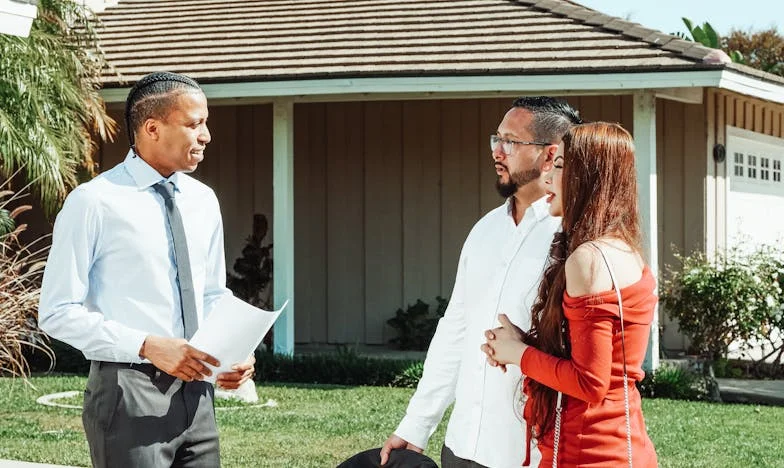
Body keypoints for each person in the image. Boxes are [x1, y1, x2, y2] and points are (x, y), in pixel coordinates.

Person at [38, 71, 255, 468]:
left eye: (205, 123)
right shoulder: (94, 202)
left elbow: (210, 294)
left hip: (199, 396)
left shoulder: (204, 201)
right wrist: (147, 345)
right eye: (194, 124)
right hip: (128, 393)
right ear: (152, 128)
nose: (206, 136)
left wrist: (235, 352)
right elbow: (56, 312)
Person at [380, 97, 582, 468]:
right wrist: (417, 425)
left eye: (510, 142)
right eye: (496, 139)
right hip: (462, 448)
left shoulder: (576, 239)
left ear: (550, 154)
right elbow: (455, 331)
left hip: (531, 454)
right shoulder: (484, 230)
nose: (497, 151)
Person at [481, 122, 658, 467]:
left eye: (559, 166)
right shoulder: (624, 250)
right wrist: (523, 343)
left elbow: (590, 383)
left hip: (587, 452)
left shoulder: (588, 259)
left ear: (589, 177)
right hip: (622, 446)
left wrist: (518, 354)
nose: (547, 177)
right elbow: (602, 362)